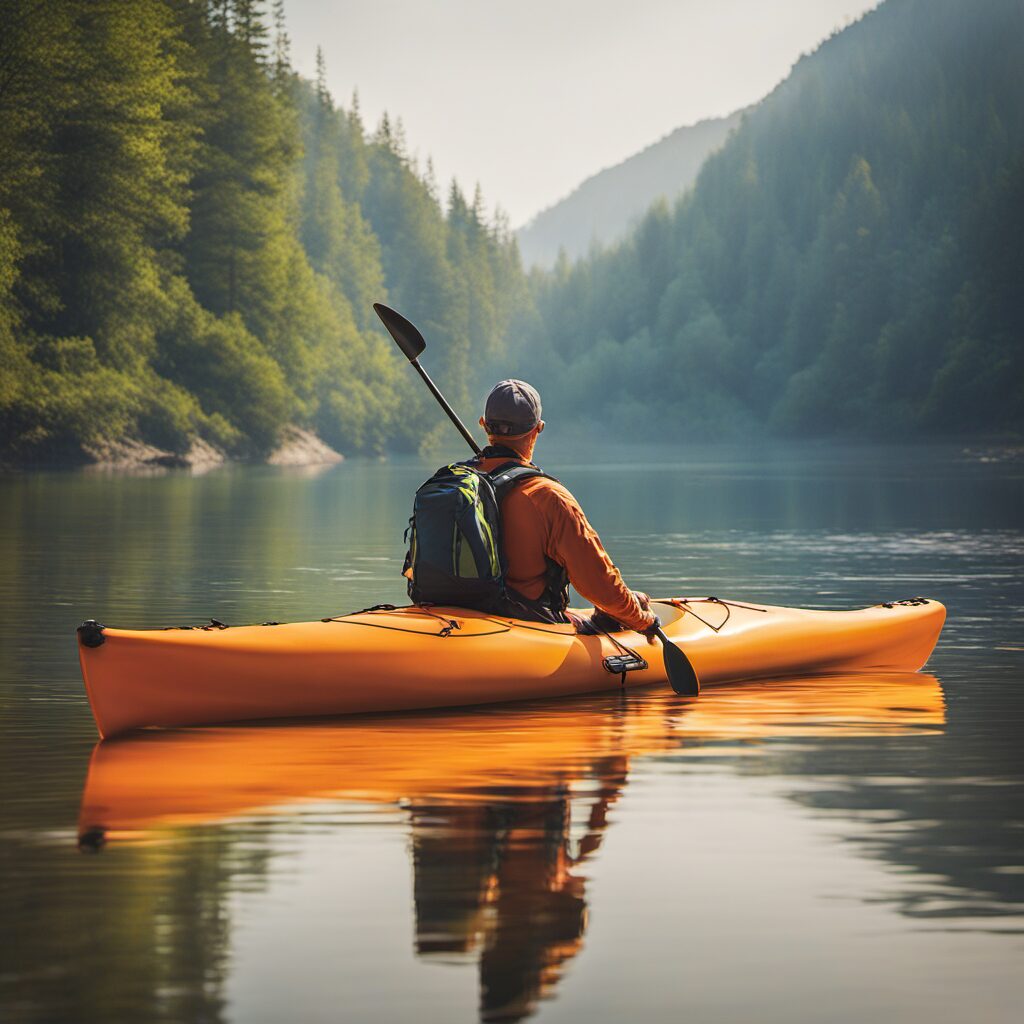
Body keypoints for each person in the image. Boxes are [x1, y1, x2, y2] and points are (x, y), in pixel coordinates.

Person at [464, 378, 659, 636]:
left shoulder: (457, 484)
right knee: (621, 610)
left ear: (484, 425)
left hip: (454, 618)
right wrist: (642, 619)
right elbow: (601, 586)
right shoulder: (548, 497)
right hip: (526, 631)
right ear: (537, 429)